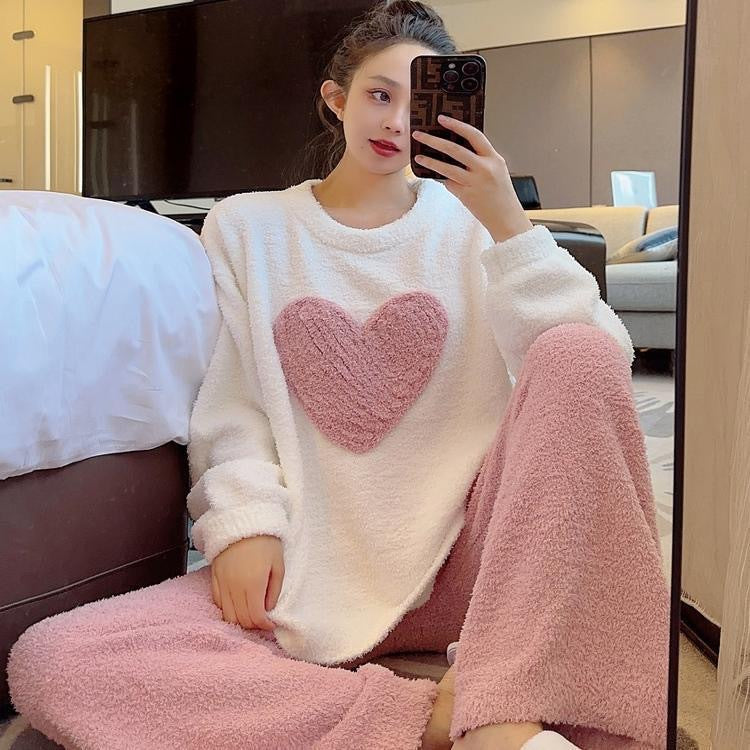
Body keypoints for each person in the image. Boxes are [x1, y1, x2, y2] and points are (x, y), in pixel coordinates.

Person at [8, 2, 670, 749]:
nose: (395, 122)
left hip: (485, 568)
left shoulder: (475, 225)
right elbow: (233, 401)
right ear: (337, 99)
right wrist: (246, 525)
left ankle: (499, 680)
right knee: (55, 661)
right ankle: (445, 718)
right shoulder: (247, 228)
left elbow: (596, 370)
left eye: (417, 104)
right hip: (312, 572)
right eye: (379, 94)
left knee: (576, 351)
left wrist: (508, 223)